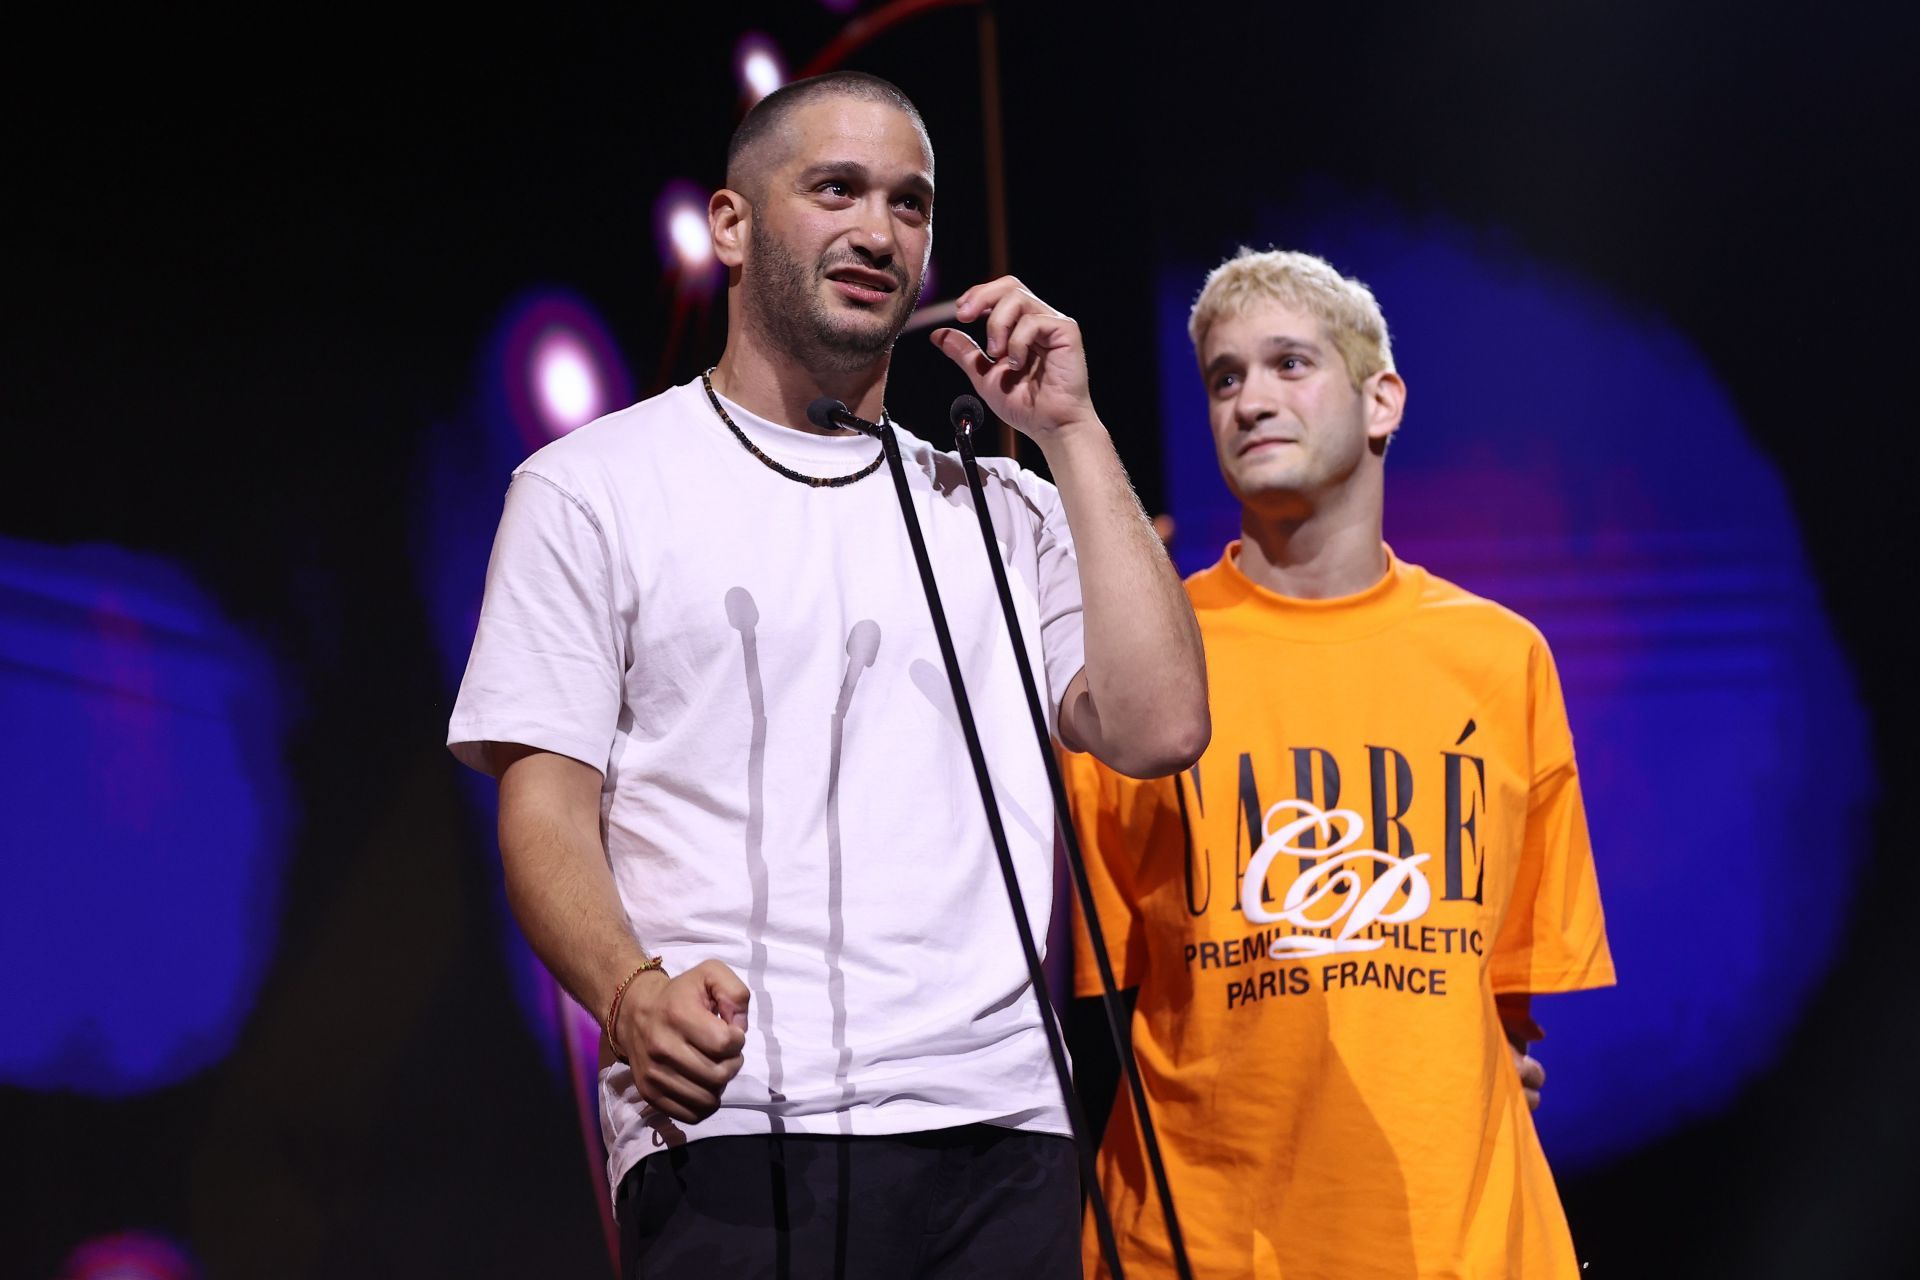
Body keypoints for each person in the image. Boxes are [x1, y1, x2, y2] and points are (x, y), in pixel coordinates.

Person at [446, 71, 1208, 1278]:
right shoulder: (590, 487)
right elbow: (543, 809)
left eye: (911, 205)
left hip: (999, 1123)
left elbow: (1162, 724)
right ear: (732, 226)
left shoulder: (1004, 504)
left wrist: (1071, 427)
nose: (878, 230)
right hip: (732, 1124)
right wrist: (631, 993)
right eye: (836, 189)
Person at [1064, 248, 1615, 1278]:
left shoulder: (1500, 660)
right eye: (1225, 377)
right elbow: (1099, 993)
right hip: (1199, 1243)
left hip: (1462, 1244)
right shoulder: (1143, 674)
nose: (1250, 399)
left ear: (1381, 400)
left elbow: (1505, 1001)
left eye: (1288, 364)